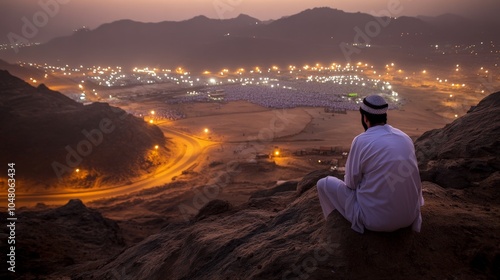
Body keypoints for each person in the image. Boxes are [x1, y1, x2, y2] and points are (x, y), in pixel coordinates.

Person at [317, 95, 424, 233]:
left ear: (365, 118)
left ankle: (333, 229)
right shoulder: (404, 137)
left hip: (377, 222)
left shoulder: (361, 140)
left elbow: (351, 184)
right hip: (409, 217)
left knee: (323, 184)